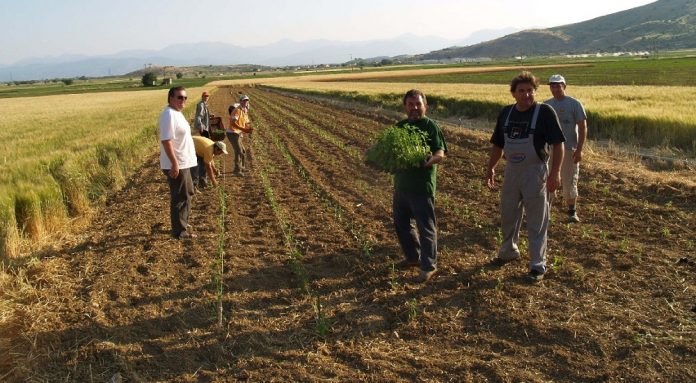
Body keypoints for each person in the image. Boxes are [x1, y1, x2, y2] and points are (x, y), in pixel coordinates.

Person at [485, 71, 565, 282]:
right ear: (513, 94)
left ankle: (537, 265)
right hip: (511, 171)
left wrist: (555, 173)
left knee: (537, 221)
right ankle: (508, 251)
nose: (527, 95)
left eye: (530, 90)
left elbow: (558, 144)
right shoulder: (506, 113)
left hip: (536, 172)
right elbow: (498, 144)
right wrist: (491, 167)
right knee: (508, 213)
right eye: (522, 91)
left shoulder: (545, 112)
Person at [393, 89, 447, 283]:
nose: (415, 108)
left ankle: (429, 265)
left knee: (426, 227)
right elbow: (392, 152)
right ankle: (413, 257)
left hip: (421, 187)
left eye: (418, 104)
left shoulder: (430, 126)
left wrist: (430, 160)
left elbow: (440, 153)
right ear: (405, 107)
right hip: (401, 185)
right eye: (411, 104)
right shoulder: (399, 127)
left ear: (426, 106)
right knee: (401, 223)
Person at [545, 74, 588, 223]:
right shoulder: (546, 105)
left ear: (564, 86)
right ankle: (546, 212)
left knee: (570, 181)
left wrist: (580, 149)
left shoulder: (575, 104)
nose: (555, 88)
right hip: (550, 150)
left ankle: (572, 213)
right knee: (548, 179)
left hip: (569, 149)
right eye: (553, 85)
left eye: (558, 85)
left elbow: (582, 127)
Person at [160, 86, 197, 240]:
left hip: (184, 162)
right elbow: (166, 141)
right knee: (180, 197)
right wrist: (174, 164)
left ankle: (182, 224)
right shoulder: (169, 114)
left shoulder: (177, 113)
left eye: (185, 98)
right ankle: (179, 231)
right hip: (177, 164)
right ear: (170, 98)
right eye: (179, 97)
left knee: (188, 193)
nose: (183, 100)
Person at [226, 95, 253, 175]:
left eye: (247, 100)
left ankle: (242, 167)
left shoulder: (244, 111)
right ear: (240, 101)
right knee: (238, 151)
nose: (245, 102)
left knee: (243, 151)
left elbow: (246, 122)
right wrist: (243, 129)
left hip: (238, 133)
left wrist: (249, 129)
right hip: (232, 133)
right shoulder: (237, 110)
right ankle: (237, 170)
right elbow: (232, 123)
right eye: (244, 100)